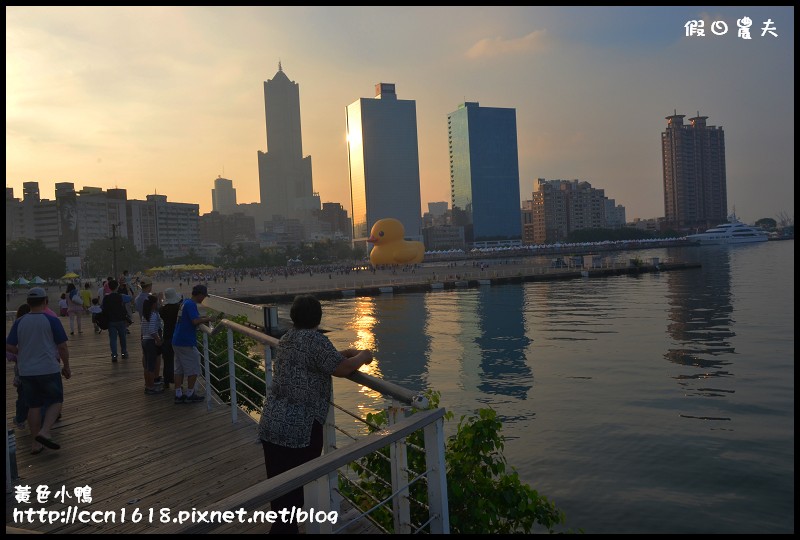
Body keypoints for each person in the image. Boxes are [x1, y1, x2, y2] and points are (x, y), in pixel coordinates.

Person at [257, 294, 374, 534]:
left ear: (293, 317)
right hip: (298, 428)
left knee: (280, 495)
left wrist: (344, 351)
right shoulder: (315, 340)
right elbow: (342, 368)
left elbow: (316, 360)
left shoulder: (288, 338)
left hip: (273, 422)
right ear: (318, 318)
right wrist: (364, 355)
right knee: (293, 496)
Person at [5, 287, 71, 454]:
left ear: (28, 303)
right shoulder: (51, 320)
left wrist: (22, 352)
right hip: (48, 368)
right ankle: (45, 431)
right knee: (56, 400)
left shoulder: (19, 322)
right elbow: (62, 347)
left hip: (27, 370)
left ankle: (36, 443)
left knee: (33, 405)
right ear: (45, 301)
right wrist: (67, 366)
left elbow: (10, 345)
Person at [172, 284, 215, 404]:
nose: (204, 299)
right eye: (204, 296)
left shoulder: (185, 302)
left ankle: (178, 394)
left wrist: (203, 317)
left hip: (177, 340)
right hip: (186, 341)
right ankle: (190, 394)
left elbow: (191, 317)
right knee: (194, 368)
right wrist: (208, 319)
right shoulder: (191, 305)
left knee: (179, 369)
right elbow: (195, 321)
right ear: (200, 294)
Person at [8, 303, 31, 430]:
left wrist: (18, 352)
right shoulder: (38, 325)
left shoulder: (17, 326)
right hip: (38, 365)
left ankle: (21, 418)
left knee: (22, 394)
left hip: (21, 367)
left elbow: (10, 352)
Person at [158, 287, 182, 391]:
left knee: (167, 359)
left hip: (166, 335)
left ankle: (167, 380)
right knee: (179, 360)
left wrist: (160, 300)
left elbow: (160, 310)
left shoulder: (163, 309)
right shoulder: (178, 308)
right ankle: (178, 382)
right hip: (176, 335)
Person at [101, 278, 130, 362]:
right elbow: (131, 298)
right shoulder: (121, 296)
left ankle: (114, 355)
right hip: (121, 320)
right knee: (122, 338)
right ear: (117, 287)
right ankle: (124, 353)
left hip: (111, 321)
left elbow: (102, 308)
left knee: (113, 339)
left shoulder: (106, 298)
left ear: (109, 287)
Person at [140, 294, 164, 394]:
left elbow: (143, 330)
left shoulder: (145, 315)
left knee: (147, 366)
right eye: (156, 302)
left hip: (144, 340)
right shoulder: (153, 315)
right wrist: (158, 340)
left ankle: (148, 385)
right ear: (153, 304)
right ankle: (151, 387)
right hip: (150, 341)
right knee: (151, 367)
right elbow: (152, 330)